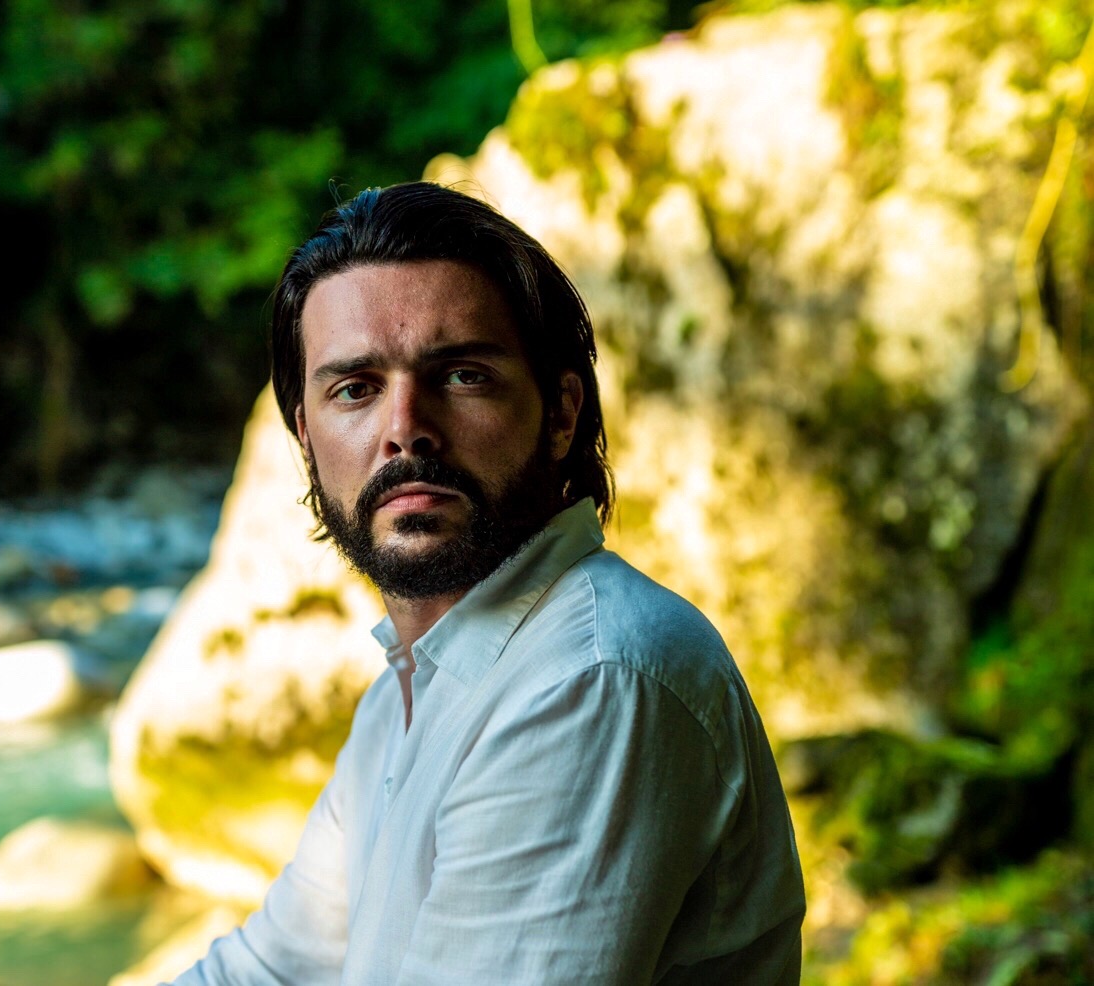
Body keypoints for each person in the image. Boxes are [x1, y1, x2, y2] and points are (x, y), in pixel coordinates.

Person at [166, 182, 805, 985]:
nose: (405, 428)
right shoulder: (407, 695)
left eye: (462, 375)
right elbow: (269, 972)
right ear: (306, 439)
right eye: (355, 389)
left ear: (561, 413)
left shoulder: (589, 680)